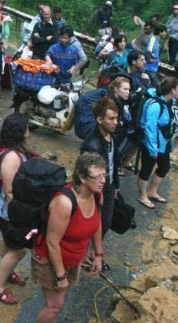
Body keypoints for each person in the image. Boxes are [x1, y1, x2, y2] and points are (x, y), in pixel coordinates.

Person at [31, 152, 106, 322]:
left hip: (73, 258)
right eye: (98, 176)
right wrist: (60, 276)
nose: (103, 181)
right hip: (50, 259)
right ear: (82, 177)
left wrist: (98, 254)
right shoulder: (64, 203)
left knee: (58, 303)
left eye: (104, 175)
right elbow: (52, 242)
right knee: (54, 306)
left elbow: (97, 224)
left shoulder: (97, 193)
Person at [0, 113, 34, 305]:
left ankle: (7, 272)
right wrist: (22, 217)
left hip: (5, 211)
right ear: (21, 132)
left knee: (8, 244)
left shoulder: (13, 151)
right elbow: (9, 191)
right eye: (27, 127)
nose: (29, 131)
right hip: (8, 212)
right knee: (19, 250)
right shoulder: (12, 157)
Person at [80, 97, 121, 270]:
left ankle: (90, 253)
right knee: (92, 225)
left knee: (105, 223)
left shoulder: (111, 136)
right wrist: (99, 194)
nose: (115, 123)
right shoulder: (92, 144)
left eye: (116, 118)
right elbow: (88, 174)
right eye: (111, 119)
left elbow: (113, 163)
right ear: (99, 120)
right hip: (97, 190)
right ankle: (85, 256)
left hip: (109, 186)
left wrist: (115, 184)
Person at [137, 76, 178, 209]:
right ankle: (142, 195)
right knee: (146, 168)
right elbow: (149, 128)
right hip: (151, 144)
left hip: (164, 143)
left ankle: (152, 191)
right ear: (172, 90)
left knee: (164, 167)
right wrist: (152, 149)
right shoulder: (155, 106)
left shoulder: (170, 102)